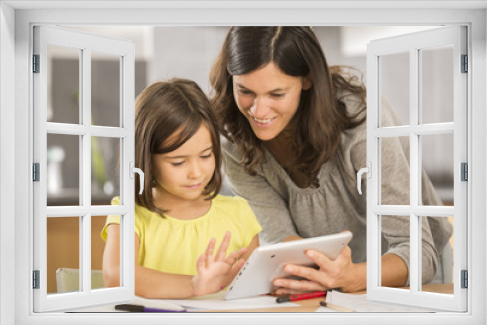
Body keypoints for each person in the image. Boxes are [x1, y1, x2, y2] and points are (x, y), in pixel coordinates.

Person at [210, 26, 452, 294]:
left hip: (405, 274)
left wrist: (351, 276)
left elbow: (419, 252)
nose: (258, 111)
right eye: (245, 91)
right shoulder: (234, 144)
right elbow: (281, 240)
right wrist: (305, 275)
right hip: (332, 285)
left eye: (277, 94)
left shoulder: (361, 120)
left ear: (308, 79)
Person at [101, 78, 261, 299]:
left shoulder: (240, 212)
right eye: (178, 162)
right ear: (145, 158)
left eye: (206, 155)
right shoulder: (128, 214)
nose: (196, 172)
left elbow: (257, 286)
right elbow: (115, 275)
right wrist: (193, 286)